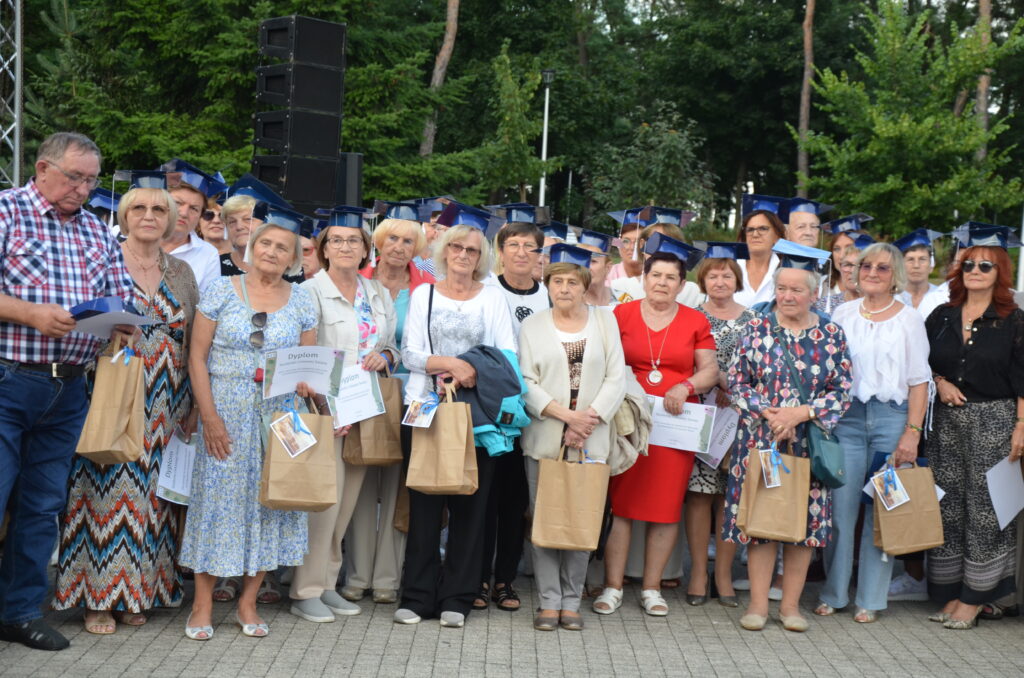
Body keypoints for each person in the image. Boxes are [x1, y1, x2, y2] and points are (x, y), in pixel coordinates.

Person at [0, 132, 134, 651]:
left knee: (41, 507)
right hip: (9, 378)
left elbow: (118, 292)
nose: (83, 188)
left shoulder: (97, 230)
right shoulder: (7, 212)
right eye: (74, 177)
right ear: (42, 168)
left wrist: (124, 321)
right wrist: (29, 313)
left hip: (70, 388)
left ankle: (18, 613)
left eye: (91, 180)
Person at [53, 177, 199, 634]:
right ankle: (98, 597)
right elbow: (76, 321)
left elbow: (194, 338)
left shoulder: (181, 271)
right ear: (125, 216)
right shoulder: (103, 260)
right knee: (105, 487)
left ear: (170, 220)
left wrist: (194, 402)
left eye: (159, 210)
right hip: (114, 389)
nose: (149, 217)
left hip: (168, 397)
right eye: (140, 209)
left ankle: (139, 592)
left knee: (155, 497)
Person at [178, 213, 319, 640]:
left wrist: (305, 382)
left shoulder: (302, 300)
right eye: (265, 244)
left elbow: (308, 365)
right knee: (216, 504)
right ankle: (202, 605)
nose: (272, 252)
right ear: (252, 248)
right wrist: (209, 417)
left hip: (281, 415)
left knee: (271, 505)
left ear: (293, 259)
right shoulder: (222, 289)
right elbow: (197, 357)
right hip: (225, 409)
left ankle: (248, 602)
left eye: (282, 248)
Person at [395, 207, 516, 628]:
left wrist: (471, 370)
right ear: (444, 252)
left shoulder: (492, 297)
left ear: (481, 257)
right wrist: (449, 362)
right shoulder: (423, 295)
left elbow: (507, 355)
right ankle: (416, 596)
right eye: (457, 247)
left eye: (472, 250)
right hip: (424, 408)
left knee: (471, 508)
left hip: (476, 415)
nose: (463, 255)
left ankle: (458, 598)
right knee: (425, 505)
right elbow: (409, 354)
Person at [722, 244, 853, 633]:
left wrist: (801, 413)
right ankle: (758, 605)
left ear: (814, 293)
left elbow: (842, 390)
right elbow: (737, 382)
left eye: (797, 289)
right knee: (762, 525)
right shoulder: (756, 328)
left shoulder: (831, 334)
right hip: (761, 440)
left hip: (809, 444)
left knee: (802, 527)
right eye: (782, 288)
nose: (788, 296)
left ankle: (791, 607)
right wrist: (771, 414)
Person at [593, 233, 719, 618]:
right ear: (643, 278)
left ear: (682, 285)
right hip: (628, 421)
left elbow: (710, 370)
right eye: (656, 275)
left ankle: (651, 588)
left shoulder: (696, 320)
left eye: (671, 277)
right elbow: (605, 362)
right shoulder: (621, 315)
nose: (662, 282)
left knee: (665, 507)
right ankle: (613, 586)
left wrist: (686, 386)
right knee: (622, 505)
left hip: (676, 424)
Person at [289, 207, 398, 623]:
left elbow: (391, 344)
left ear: (366, 249)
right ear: (324, 249)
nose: (346, 247)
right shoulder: (308, 291)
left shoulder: (377, 293)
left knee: (347, 503)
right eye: (337, 240)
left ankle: (328, 583)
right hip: (324, 410)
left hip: (365, 408)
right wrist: (322, 401)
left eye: (354, 240)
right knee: (323, 504)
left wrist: (385, 355)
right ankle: (305, 590)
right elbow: (301, 351)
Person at [816, 243, 930, 623]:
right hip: (846, 418)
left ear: (895, 275)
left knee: (882, 512)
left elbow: (919, 381)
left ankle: (870, 598)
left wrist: (911, 433)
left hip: (891, 419)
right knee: (840, 512)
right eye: (866, 266)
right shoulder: (842, 314)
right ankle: (834, 593)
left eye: (882, 268)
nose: (872, 273)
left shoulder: (909, 319)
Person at [518, 244, 626, 631]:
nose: (564, 289)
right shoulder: (532, 326)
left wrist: (586, 421)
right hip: (546, 434)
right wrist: (566, 417)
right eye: (557, 281)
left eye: (572, 282)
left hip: (592, 436)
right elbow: (526, 381)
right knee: (544, 516)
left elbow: (617, 376)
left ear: (585, 286)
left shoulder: (605, 321)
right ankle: (548, 601)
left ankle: (571, 600)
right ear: (547, 285)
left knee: (583, 517)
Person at [925, 224, 1024, 630]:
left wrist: (1021, 426)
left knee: (987, 510)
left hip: (995, 421)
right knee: (948, 506)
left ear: (1001, 272)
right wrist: (939, 381)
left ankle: (977, 597)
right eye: (968, 264)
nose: (975, 271)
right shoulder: (941, 316)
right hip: (946, 423)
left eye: (985, 265)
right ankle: (951, 591)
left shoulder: (1014, 320)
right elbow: (921, 364)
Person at [343, 214, 434, 605]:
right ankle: (357, 574)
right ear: (377, 243)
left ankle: (386, 577)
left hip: (409, 395)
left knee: (398, 486)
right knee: (361, 481)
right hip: (361, 390)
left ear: (417, 249)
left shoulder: (426, 289)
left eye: (408, 241)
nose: (399, 247)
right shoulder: (356, 281)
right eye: (392, 239)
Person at [475, 220, 548, 612]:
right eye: (514, 245)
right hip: (493, 408)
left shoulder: (548, 296)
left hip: (534, 411)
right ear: (500, 251)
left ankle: (505, 578)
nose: (521, 252)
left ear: (539, 255)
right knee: (484, 497)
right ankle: (478, 577)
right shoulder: (486, 291)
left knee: (515, 499)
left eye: (529, 246)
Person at [683, 244, 756, 608]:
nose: (720, 281)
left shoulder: (754, 320)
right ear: (703, 280)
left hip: (740, 419)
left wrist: (735, 389)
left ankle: (724, 574)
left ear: (736, 279)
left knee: (731, 497)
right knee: (699, 495)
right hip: (700, 415)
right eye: (713, 275)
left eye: (727, 275)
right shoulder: (690, 317)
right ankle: (698, 572)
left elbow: (762, 370)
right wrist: (712, 384)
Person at [609, 215, 705, 308]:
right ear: (642, 245)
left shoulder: (691, 292)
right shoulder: (621, 287)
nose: (663, 251)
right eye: (657, 241)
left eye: (670, 245)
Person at [163, 179, 221, 293]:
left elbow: (208, 301)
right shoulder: (135, 240)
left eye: (194, 208)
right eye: (177, 203)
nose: (184, 213)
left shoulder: (208, 254)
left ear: (200, 216)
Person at [733, 195, 786, 308]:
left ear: (777, 236)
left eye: (763, 229)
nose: (755, 234)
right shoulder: (730, 267)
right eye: (750, 229)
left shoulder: (787, 270)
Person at [894, 228, 943, 311]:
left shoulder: (943, 297)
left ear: (931, 265)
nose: (916, 265)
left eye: (922, 259)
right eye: (910, 259)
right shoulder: (891, 297)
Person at [577, 229, 617, 307]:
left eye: (593, 261)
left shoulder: (622, 299)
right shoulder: (570, 302)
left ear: (608, 268)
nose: (586, 267)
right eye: (582, 260)